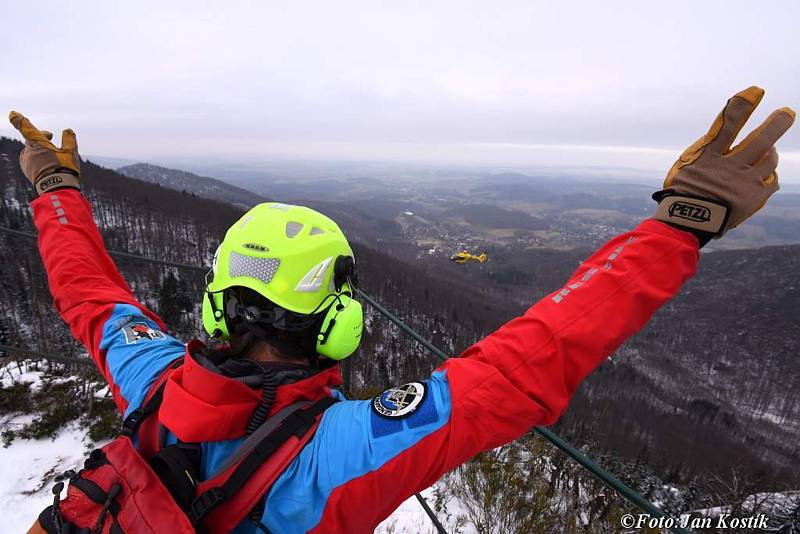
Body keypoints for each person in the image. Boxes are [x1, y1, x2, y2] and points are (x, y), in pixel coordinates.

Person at [9, 86, 794, 534]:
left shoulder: (148, 377)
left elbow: (88, 290)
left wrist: (56, 190)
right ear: (337, 324)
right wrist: (679, 227)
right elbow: (525, 362)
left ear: (215, 309)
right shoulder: (336, 456)